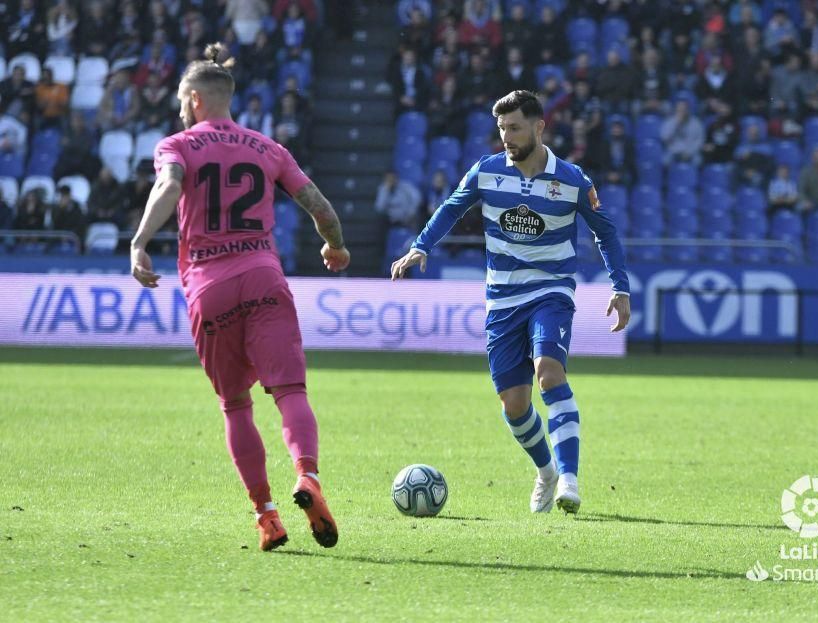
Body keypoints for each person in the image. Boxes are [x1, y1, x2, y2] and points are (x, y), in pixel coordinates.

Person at [129, 43, 350, 552]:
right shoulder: (269, 148)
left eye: (184, 101)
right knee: (291, 393)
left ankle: (267, 516)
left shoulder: (177, 144)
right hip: (264, 279)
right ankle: (308, 478)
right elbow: (319, 206)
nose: (182, 109)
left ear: (195, 100)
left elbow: (168, 187)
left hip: (210, 287)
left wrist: (140, 243)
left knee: (235, 406)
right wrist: (334, 246)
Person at [391, 91, 630, 515]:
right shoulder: (486, 171)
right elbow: (450, 208)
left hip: (551, 291)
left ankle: (569, 478)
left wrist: (620, 286)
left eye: (515, 127)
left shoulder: (572, 179)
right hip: (502, 298)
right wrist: (421, 246)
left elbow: (605, 233)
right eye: (501, 128)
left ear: (539, 127)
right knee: (515, 405)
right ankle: (547, 471)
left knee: (549, 372)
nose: (506, 136)